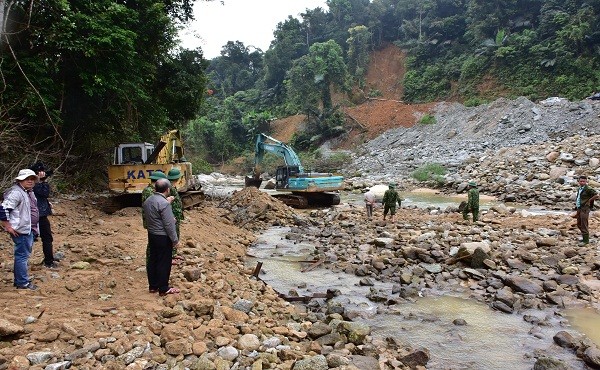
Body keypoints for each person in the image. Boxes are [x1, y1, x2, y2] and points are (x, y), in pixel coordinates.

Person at [0, 169, 40, 290]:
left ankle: (20, 281)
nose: (30, 181)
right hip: (21, 230)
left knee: (23, 255)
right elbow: (4, 209)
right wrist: (8, 226)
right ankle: (22, 283)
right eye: (27, 178)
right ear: (19, 180)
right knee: (22, 256)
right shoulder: (16, 192)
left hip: (27, 229)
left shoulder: (27, 192)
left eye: (32, 179)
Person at [142, 177, 180, 296]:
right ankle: (164, 288)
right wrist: (175, 240)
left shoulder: (149, 200)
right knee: (164, 261)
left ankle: (153, 286)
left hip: (152, 234)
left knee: (153, 259)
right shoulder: (164, 204)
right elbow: (168, 224)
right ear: (167, 189)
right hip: (162, 236)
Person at [30, 162, 57, 269]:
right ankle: (49, 262)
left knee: (34, 238)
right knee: (44, 238)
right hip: (37, 216)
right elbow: (45, 193)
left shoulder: (26, 185)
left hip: (34, 215)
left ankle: (49, 260)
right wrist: (41, 182)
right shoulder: (34, 185)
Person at [166, 168, 184, 262]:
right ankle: (170, 255)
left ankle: (173, 253)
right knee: (172, 235)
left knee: (175, 234)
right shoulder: (170, 188)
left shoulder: (171, 186)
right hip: (172, 215)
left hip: (175, 214)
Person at [574, 175, 598, 245]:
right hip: (579, 207)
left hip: (585, 208)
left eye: (583, 181)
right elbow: (579, 197)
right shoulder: (579, 188)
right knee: (579, 224)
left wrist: (589, 201)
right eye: (581, 181)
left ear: (586, 181)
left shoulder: (588, 188)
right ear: (578, 181)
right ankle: (585, 237)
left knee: (584, 224)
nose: (582, 182)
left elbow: (596, 195)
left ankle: (586, 241)